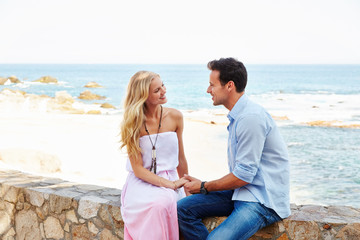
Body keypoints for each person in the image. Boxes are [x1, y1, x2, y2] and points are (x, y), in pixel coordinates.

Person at [177, 58, 290, 240]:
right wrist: (204, 187)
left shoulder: (250, 118)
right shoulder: (239, 116)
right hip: (242, 192)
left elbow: (244, 175)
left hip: (262, 201)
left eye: (212, 85)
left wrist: (204, 186)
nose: (208, 90)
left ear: (229, 85)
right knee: (182, 209)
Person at [120, 71, 189, 240]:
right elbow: (138, 169)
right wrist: (170, 185)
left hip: (171, 177)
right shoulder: (132, 123)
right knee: (160, 203)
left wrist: (186, 187)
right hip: (141, 182)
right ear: (143, 96)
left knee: (167, 201)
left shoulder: (175, 116)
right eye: (157, 90)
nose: (164, 91)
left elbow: (180, 158)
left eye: (163, 85)